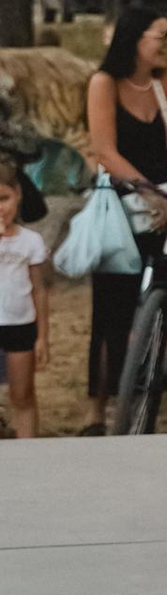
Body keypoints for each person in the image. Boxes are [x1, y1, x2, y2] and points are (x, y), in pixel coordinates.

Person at [82, 6, 167, 433]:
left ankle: (153, 387)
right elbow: (104, 150)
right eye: (160, 36)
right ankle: (97, 408)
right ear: (135, 39)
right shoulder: (104, 83)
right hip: (124, 204)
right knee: (110, 306)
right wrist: (148, 191)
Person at [0, 157, 49, 438]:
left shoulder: (30, 242)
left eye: (4, 198)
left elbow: (40, 290)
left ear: (17, 195)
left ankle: (28, 454)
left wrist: (43, 336)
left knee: (23, 396)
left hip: (20, 325)